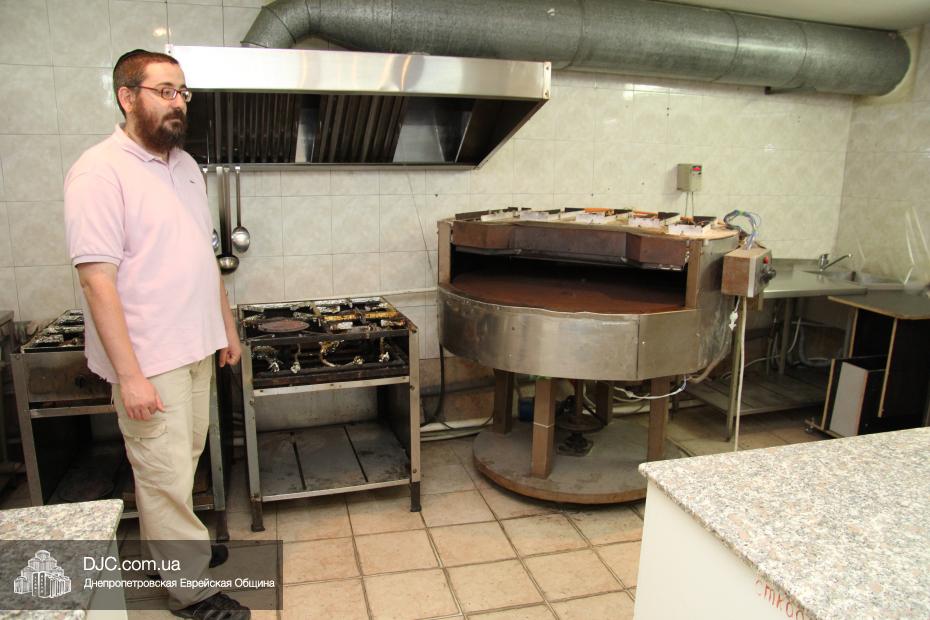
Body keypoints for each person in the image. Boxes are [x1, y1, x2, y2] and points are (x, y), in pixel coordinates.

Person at [64, 49, 248, 619]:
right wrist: (130, 376)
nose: (178, 103)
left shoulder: (185, 166)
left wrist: (225, 327)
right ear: (127, 96)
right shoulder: (99, 171)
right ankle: (189, 590)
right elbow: (97, 281)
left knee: (181, 460)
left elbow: (202, 257)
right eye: (165, 91)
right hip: (150, 357)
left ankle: (174, 554)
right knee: (163, 471)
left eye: (182, 93)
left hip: (194, 344)